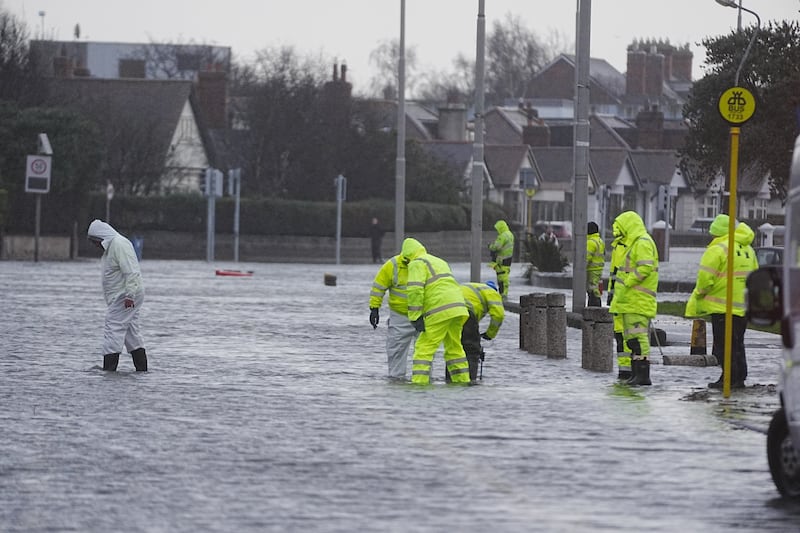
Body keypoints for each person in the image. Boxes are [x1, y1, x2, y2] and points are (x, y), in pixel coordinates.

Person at [684, 214, 758, 389]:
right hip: (743, 306)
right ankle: (739, 376)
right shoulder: (748, 250)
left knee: (724, 344)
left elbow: (705, 279)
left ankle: (728, 378)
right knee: (737, 342)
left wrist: (700, 294)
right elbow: (756, 275)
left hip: (722, 305)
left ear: (717, 232)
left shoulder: (717, 249)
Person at [401, 237, 471, 384]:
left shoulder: (416, 263)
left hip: (439, 309)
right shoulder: (439, 261)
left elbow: (415, 290)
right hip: (458, 307)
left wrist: (415, 316)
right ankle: (462, 382)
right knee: (454, 348)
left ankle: (419, 384)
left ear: (407, 256)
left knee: (424, 347)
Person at [87, 219, 148, 372]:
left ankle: (109, 369)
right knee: (131, 332)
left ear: (102, 238)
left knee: (112, 325)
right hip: (126, 294)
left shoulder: (119, 244)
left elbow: (131, 271)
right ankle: (142, 370)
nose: (95, 246)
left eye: (96, 242)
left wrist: (129, 295)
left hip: (125, 295)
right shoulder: (113, 247)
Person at [608, 211, 658, 386]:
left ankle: (643, 374)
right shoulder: (635, 243)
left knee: (639, 339)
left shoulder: (642, 242)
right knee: (632, 339)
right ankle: (637, 373)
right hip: (630, 301)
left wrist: (629, 281)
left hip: (638, 300)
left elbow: (645, 268)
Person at [369, 253, 417, 380]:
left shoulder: (426, 264)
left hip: (422, 315)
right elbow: (379, 286)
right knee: (396, 351)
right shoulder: (393, 265)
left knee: (424, 354)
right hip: (400, 315)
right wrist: (374, 308)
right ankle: (399, 381)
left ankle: (421, 381)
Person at [448, 280, 505, 382]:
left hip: (447, 312)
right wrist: (489, 334)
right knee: (471, 349)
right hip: (465, 312)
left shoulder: (470, 287)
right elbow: (498, 315)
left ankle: (450, 379)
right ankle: (470, 381)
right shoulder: (491, 292)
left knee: (453, 348)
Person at [606, 233, 631, 380]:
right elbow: (614, 274)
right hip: (619, 299)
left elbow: (620, 274)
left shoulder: (626, 246)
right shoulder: (618, 246)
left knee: (626, 336)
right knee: (620, 336)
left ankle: (629, 370)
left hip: (625, 300)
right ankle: (625, 370)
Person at [488, 219, 514, 300]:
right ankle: (504, 293)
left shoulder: (503, 236)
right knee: (505, 277)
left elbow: (497, 247)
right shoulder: (510, 234)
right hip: (508, 259)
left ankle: (503, 294)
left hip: (501, 260)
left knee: (501, 278)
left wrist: (490, 246)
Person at [586, 221, 605, 307]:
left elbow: (586, 259)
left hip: (591, 271)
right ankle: (598, 310)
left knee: (592, 292)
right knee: (597, 292)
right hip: (599, 270)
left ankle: (593, 311)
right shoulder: (600, 241)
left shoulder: (590, 242)